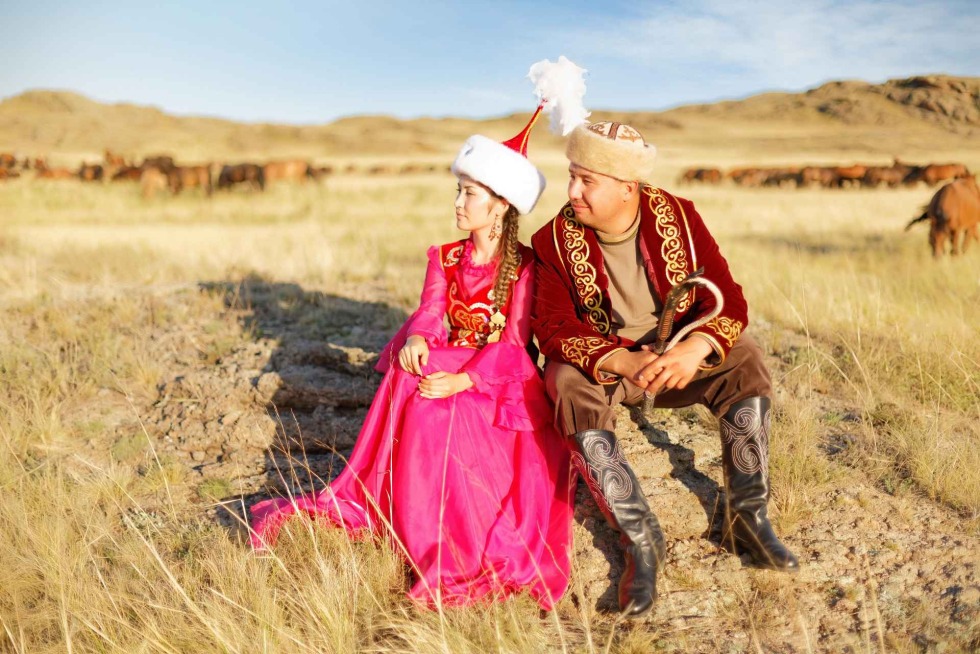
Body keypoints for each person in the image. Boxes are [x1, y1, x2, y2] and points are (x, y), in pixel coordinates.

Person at [249, 107, 575, 611]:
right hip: (450, 355)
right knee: (411, 376)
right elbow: (429, 312)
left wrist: (464, 381)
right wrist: (419, 338)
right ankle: (404, 521)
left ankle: (450, 545)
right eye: (459, 190)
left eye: (470, 193)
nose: (458, 202)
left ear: (501, 207)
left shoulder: (526, 267)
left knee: (444, 411)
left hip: (498, 375)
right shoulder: (444, 257)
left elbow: (512, 344)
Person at [531, 120, 798, 619]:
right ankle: (641, 538)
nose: (572, 192)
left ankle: (747, 517)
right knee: (564, 379)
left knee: (745, 355)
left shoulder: (679, 216)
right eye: (571, 175)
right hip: (611, 364)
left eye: (587, 181)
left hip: (676, 361)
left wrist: (696, 346)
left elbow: (728, 298)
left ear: (626, 187)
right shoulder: (551, 241)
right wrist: (621, 360)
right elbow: (552, 326)